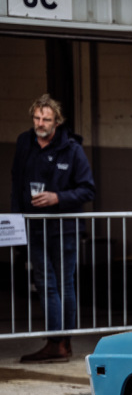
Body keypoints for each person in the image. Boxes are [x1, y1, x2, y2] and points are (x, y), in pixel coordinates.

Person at [11, 94, 96, 363]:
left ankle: (60, 342)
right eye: (37, 118)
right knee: (45, 283)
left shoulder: (72, 149)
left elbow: (87, 189)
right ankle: (57, 342)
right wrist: (15, 222)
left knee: (63, 284)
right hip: (34, 225)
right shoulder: (25, 143)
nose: (40, 123)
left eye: (46, 119)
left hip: (64, 227)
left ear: (57, 121)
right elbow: (16, 183)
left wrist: (57, 197)